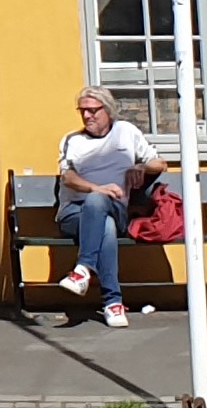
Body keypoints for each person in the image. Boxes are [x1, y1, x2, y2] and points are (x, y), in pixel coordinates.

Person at [56, 87, 161, 330]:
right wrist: (97, 188)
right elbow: (67, 177)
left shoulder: (126, 132)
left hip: (116, 207)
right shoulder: (72, 140)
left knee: (100, 206)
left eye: (93, 110)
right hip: (74, 213)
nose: (87, 116)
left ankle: (83, 269)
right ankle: (113, 303)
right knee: (104, 222)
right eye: (83, 111)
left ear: (108, 110)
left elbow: (160, 163)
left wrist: (141, 167)